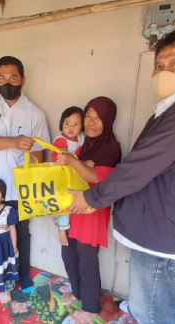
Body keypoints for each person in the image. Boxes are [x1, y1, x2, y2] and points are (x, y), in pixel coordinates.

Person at [66, 28, 175, 324]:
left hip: (164, 232)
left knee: (154, 307)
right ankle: (138, 309)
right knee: (147, 297)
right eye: (160, 64)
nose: (164, 71)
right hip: (157, 225)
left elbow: (137, 167)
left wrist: (91, 197)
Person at [0, 56, 50, 292]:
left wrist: (35, 185)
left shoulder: (34, 114)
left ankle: (22, 275)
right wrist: (14, 142)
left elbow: (39, 153)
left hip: (20, 187)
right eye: (1, 78)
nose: (7, 82)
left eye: (13, 77)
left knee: (20, 234)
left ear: (22, 80)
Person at [56, 97, 121, 324]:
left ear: (108, 120)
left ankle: (91, 307)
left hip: (92, 211)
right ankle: (78, 291)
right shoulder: (83, 146)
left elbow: (96, 178)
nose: (92, 122)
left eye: (98, 117)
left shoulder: (112, 147)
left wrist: (74, 163)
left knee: (87, 261)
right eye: (89, 115)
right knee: (69, 254)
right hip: (73, 208)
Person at [51, 106, 86, 246]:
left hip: (73, 177)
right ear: (61, 124)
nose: (71, 127)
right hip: (61, 178)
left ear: (82, 126)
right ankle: (61, 229)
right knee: (64, 204)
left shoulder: (81, 139)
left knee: (70, 202)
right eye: (67, 123)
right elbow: (62, 157)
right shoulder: (60, 140)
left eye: (76, 124)